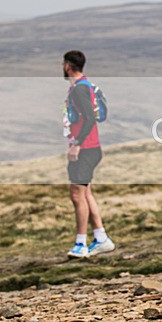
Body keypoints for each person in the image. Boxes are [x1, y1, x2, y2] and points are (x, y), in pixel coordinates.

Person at [63, 50, 115, 259]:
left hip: (86, 150)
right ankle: (101, 238)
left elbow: (90, 119)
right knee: (85, 193)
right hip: (91, 148)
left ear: (67, 65)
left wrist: (77, 144)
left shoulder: (79, 90)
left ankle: (80, 243)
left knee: (76, 194)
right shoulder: (83, 86)